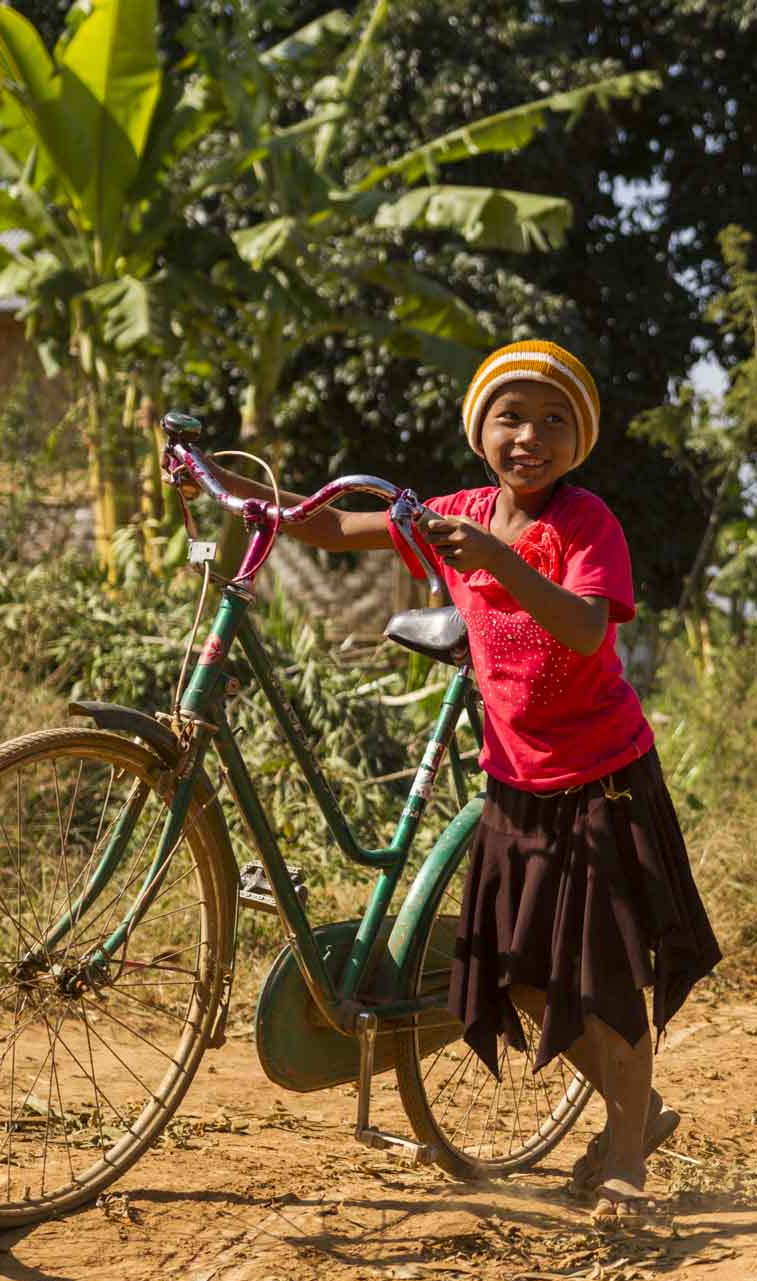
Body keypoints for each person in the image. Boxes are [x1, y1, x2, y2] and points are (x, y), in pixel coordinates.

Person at [178, 340, 721, 1225]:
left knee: (604, 976)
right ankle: (640, 1109)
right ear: (480, 432)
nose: (529, 437)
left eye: (553, 422)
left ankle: (625, 1155)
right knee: (516, 974)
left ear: (577, 443)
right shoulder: (457, 512)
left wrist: (497, 561)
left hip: (601, 778)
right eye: (510, 418)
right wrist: (228, 486)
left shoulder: (587, 524)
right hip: (514, 776)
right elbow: (329, 528)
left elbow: (587, 630)